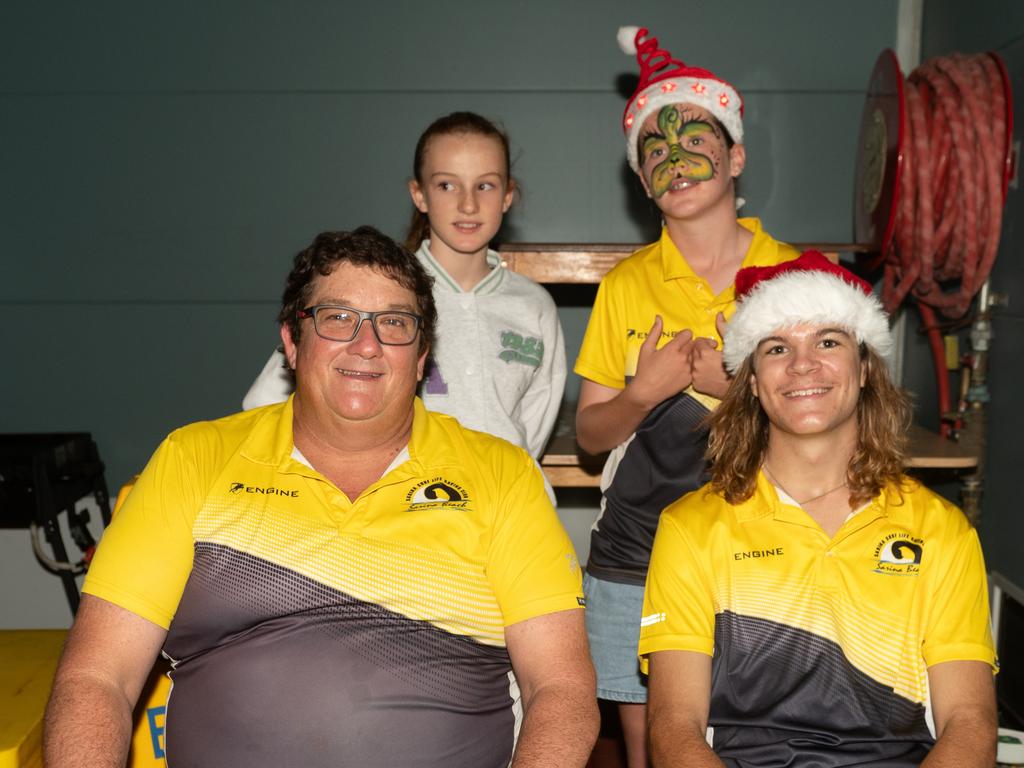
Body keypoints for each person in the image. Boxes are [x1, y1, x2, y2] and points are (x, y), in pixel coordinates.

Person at [44, 227, 598, 768]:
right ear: (291, 339)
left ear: (423, 354)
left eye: (395, 323)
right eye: (338, 318)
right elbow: (98, 677)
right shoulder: (194, 458)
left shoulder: (502, 474)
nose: (367, 344)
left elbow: (561, 688)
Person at [640, 251, 997, 767]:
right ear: (753, 381)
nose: (803, 364)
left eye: (828, 341)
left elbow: (970, 724)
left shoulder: (942, 531)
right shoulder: (691, 527)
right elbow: (674, 728)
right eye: (778, 347)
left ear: (866, 367)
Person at [573, 25, 799, 764]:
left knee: (758, 734)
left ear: (736, 155)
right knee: (650, 746)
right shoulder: (626, 285)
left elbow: (839, 418)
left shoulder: (797, 276)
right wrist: (644, 392)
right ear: (641, 181)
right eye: (655, 152)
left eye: (695, 139)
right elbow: (591, 437)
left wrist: (728, 386)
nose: (676, 161)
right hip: (637, 557)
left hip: (768, 550)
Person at [243, 112, 566, 461]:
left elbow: (533, 430)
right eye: (446, 185)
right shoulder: (381, 287)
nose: (468, 204)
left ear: (507, 195)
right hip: (404, 506)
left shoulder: (533, 305)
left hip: (506, 501)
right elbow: (263, 403)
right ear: (419, 194)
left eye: (485, 185)